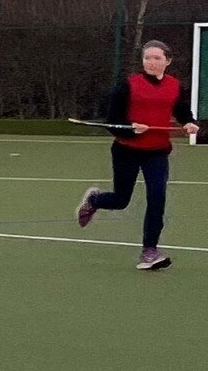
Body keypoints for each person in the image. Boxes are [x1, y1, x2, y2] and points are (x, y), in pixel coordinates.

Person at [75, 40, 200, 270]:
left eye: (157, 58)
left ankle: (149, 251)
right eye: (147, 58)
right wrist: (130, 127)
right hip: (127, 150)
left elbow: (182, 111)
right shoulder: (128, 85)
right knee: (121, 200)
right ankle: (94, 201)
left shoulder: (174, 85)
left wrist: (190, 123)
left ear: (168, 61)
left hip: (157, 152)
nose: (151, 62)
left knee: (157, 196)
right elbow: (113, 121)